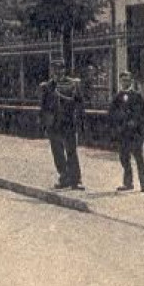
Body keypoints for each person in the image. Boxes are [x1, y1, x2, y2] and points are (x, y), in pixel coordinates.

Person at [39, 62, 85, 190]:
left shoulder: (73, 84)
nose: (58, 72)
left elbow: (79, 104)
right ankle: (64, 177)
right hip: (53, 125)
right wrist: (44, 123)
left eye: (60, 69)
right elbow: (43, 106)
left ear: (64, 70)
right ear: (52, 71)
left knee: (71, 152)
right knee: (57, 153)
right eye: (55, 70)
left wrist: (80, 121)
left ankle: (76, 180)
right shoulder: (47, 86)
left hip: (68, 123)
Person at [109, 71, 144, 193]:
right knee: (124, 159)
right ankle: (128, 183)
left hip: (136, 133)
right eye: (123, 80)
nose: (125, 83)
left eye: (127, 80)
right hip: (123, 133)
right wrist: (117, 126)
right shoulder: (117, 97)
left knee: (139, 159)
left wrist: (138, 124)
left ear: (131, 81)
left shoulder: (137, 96)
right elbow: (111, 114)